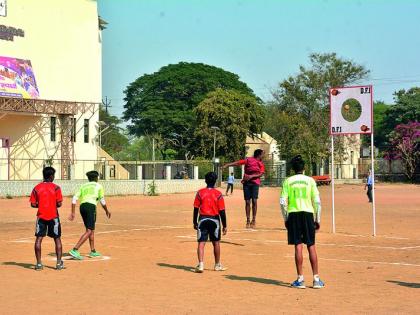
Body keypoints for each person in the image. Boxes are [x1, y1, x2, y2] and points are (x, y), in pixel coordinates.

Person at [280, 155, 325, 289]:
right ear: (304, 167)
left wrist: (286, 217)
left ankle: (300, 279)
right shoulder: (310, 181)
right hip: (308, 213)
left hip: (293, 214)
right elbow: (317, 201)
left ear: (293, 169)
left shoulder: (288, 181)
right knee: (311, 245)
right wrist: (318, 218)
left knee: (298, 245)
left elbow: (283, 202)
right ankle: (316, 279)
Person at [68, 171, 111, 260]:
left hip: (82, 207)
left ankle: (93, 251)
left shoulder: (83, 186)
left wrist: (73, 212)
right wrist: (107, 210)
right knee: (89, 230)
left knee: (90, 229)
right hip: (91, 207)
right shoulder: (99, 186)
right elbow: (102, 200)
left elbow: (74, 198)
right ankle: (75, 249)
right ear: (96, 178)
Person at [30, 166, 64, 270]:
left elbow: (33, 204)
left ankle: (39, 264)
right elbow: (59, 203)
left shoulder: (36, 188)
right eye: (53, 175)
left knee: (39, 239)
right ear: (51, 176)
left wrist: (41, 205)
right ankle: (58, 263)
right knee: (57, 239)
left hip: (41, 216)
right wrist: (52, 205)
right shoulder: (56, 187)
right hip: (54, 216)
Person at [193, 172, 227, 273]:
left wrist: (194, 221)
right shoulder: (218, 194)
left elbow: (195, 208)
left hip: (202, 219)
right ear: (215, 181)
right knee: (216, 243)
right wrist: (225, 225)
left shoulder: (200, 192)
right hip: (214, 220)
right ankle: (217, 265)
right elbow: (222, 211)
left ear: (205, 180)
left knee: (201, 243)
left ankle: (201, 265)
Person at [223, 149, 265, 228]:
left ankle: (253, 219)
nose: (263, 156)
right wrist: (228, 164)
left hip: (255, 183)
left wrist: (251, 176)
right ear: (259, 154)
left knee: (254, 201)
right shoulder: (249, 160)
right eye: (263, 154)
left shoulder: (261, 163)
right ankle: (248, 220)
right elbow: (238, 163)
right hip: (246, 183)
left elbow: (261, 173)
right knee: (247, 202)